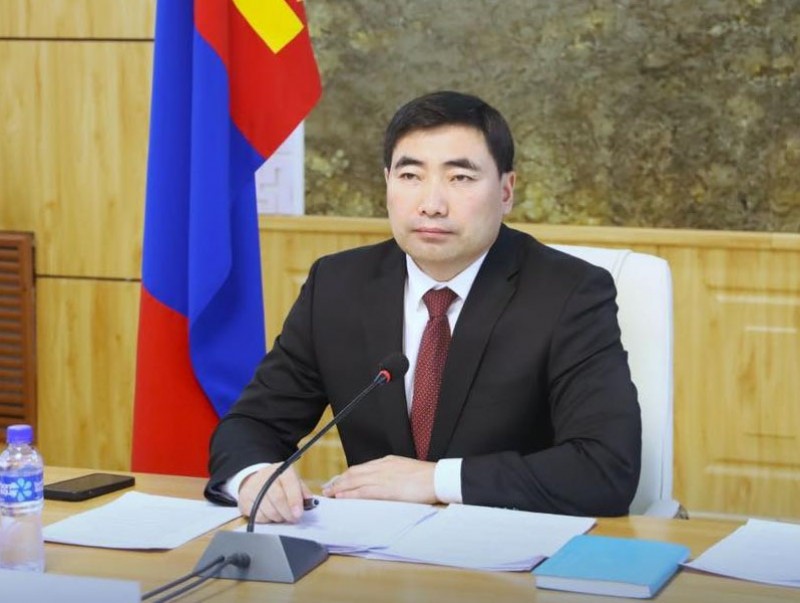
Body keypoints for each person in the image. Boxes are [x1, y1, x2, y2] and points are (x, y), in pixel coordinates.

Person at [204, 90, 641, 523]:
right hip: (369, 550)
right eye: (411, 176)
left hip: (509, 547)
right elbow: (251, 425)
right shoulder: (337, 285)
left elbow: (605, 468)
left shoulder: (569, 293)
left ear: (506, 191)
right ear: (387, 184)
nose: (431, 205)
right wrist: (253, 475)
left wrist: (436, 481)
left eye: (460, 178)